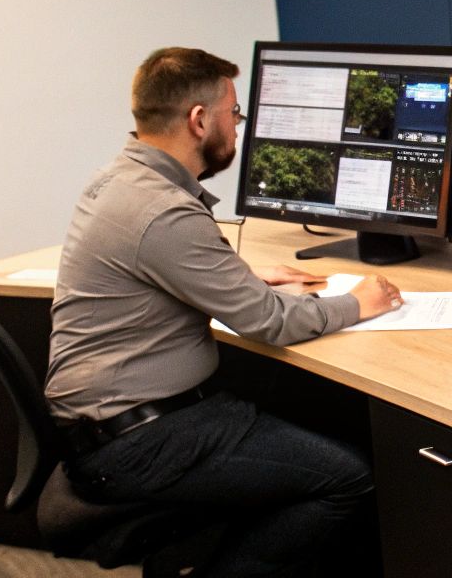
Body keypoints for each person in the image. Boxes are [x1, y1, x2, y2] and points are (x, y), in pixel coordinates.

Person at [45, 47, 400, 577]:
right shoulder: (163, 210)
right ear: (198, 120)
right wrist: (360, 302)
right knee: (348, 477)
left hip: (106, 426)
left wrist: (242, 277)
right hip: (142, 441)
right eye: (234, 114)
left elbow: (157, 269)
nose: (236, 127)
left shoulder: (119, 181)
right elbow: (271, 323)